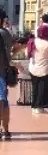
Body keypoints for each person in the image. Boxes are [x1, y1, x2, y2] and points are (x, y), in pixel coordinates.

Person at [28, 23, 48, 114]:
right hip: (45, 69)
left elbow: (28, 53)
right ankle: (40, 106)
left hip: (33, 68)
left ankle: (34, 106)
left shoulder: (32, 42)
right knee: (43, 88)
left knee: (35, 87)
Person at [0, 9, 13, 140]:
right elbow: (9, 52)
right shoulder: (5, 34)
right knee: (4, 102)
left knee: (2, 101)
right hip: (2, 73)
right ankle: (6, 130)